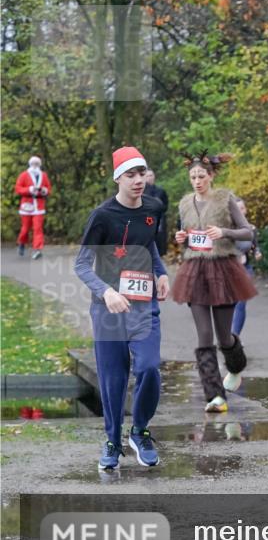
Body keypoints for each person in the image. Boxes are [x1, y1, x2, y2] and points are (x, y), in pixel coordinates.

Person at [74, 147, 168, 470]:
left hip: (143, 306)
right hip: (108, 311)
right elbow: (81, 264)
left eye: (142, 173)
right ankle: (113, 442)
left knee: (149, 367)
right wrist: (106, 291)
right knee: (113, 380)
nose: (138, 180)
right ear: (118, 178)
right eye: (131, 175)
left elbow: (149, 243)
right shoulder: (102, 216)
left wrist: (161, 272)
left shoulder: (153, 208)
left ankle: (140, 430)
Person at [172, 151, 257, 413]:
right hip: (194, 270)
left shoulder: (225, 199)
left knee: (224, 336)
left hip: (222, 270)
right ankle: (215, 396)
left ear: (211, 176)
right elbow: (189, 236)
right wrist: (182, 238)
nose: (197, 181)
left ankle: (236, 366)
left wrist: (224, 232)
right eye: (193, 177)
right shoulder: (185, 204)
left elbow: (247, 233)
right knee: (204, 336)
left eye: (201, 176)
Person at [15, 155, 52, 259]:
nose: (35, 166)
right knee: (25, 229)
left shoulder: (43, 175)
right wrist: (29, 189)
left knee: (38, 228)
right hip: (26, 206)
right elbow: (18, 189)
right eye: (33, 164)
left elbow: (48, 188)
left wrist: (45, 191)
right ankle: (22, 243)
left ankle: (37, 249)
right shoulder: (24, 175)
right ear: (30, 164)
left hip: (39, 206)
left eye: (37, 164)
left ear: (39, 165)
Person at [231, 197, 258, 337]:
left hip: (245, 269)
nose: (240, 211)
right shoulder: (226, 230)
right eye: (237, 209)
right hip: (229, 270)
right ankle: (227, 336)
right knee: (229, 304)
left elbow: (255, 246)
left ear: (246, 210)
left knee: (241, 303)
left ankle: (235, 335)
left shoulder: (251, 229)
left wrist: (257, 252)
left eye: (242, 208)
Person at [144, 169, 170, 258]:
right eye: (147, 176)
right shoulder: (141, 191)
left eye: (151, 175)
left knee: (159, 241)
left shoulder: (160, 191)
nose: (149, 178)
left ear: (154, 177)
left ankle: (159, 256)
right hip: (145, 219)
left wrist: (158, 206)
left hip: (159, 219)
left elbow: (165, 206)